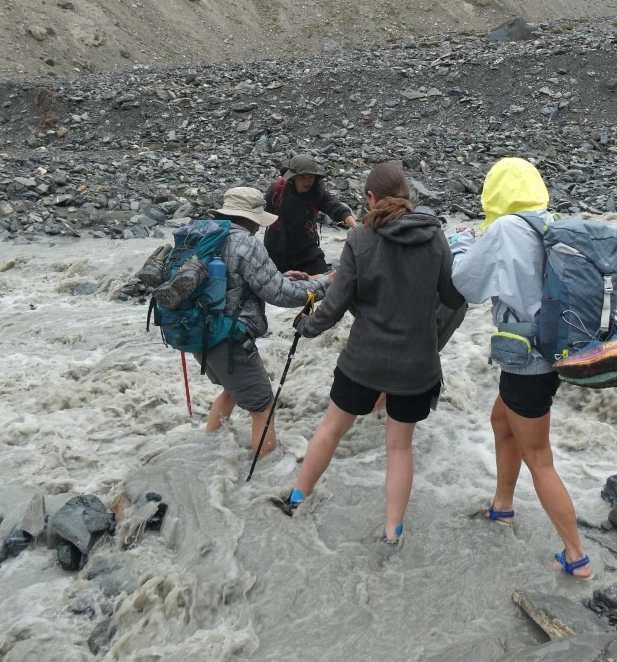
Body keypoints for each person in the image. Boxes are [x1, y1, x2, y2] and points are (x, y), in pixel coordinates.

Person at [274, 163, 465, 544]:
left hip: (363, 362)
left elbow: (336, 301)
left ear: (370, 198)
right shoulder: (435, 238)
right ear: (409, 196)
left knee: (330, 429)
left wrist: (306, 326)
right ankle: (393, 533)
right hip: (418, 367)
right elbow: (452, 296)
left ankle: (296, 499)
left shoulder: (360, 240)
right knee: (399, 448)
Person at [449, 157, 593, 579]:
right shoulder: (554, 223)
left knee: (539, 457)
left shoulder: (504, 229)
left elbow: (467, 286)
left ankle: (576, 556)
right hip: (554, 350)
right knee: (501, 420)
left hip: (526, 360)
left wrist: (461, 244)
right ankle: (502, 506)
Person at [198, 187, 332, 461]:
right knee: (263, 407)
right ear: (249, 218)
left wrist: (280, 276)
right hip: (230, 339)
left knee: (232, 390)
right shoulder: (245, 243)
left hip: (201, 335)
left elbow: (232, 283)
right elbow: (280, 295)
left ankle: (207, 453)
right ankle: (263, 475)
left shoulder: (208, 235)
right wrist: (325, 283)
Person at [263, 153, 358, 275]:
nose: (308, 182)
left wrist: (355, 227)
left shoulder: (317, 192)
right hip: (276, 251)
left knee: (322, 282)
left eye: (311, 177)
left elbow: (336, 208)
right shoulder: (277, 191)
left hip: (306, 251)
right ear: (293, 177)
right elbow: (258, 216)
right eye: (303, 177)